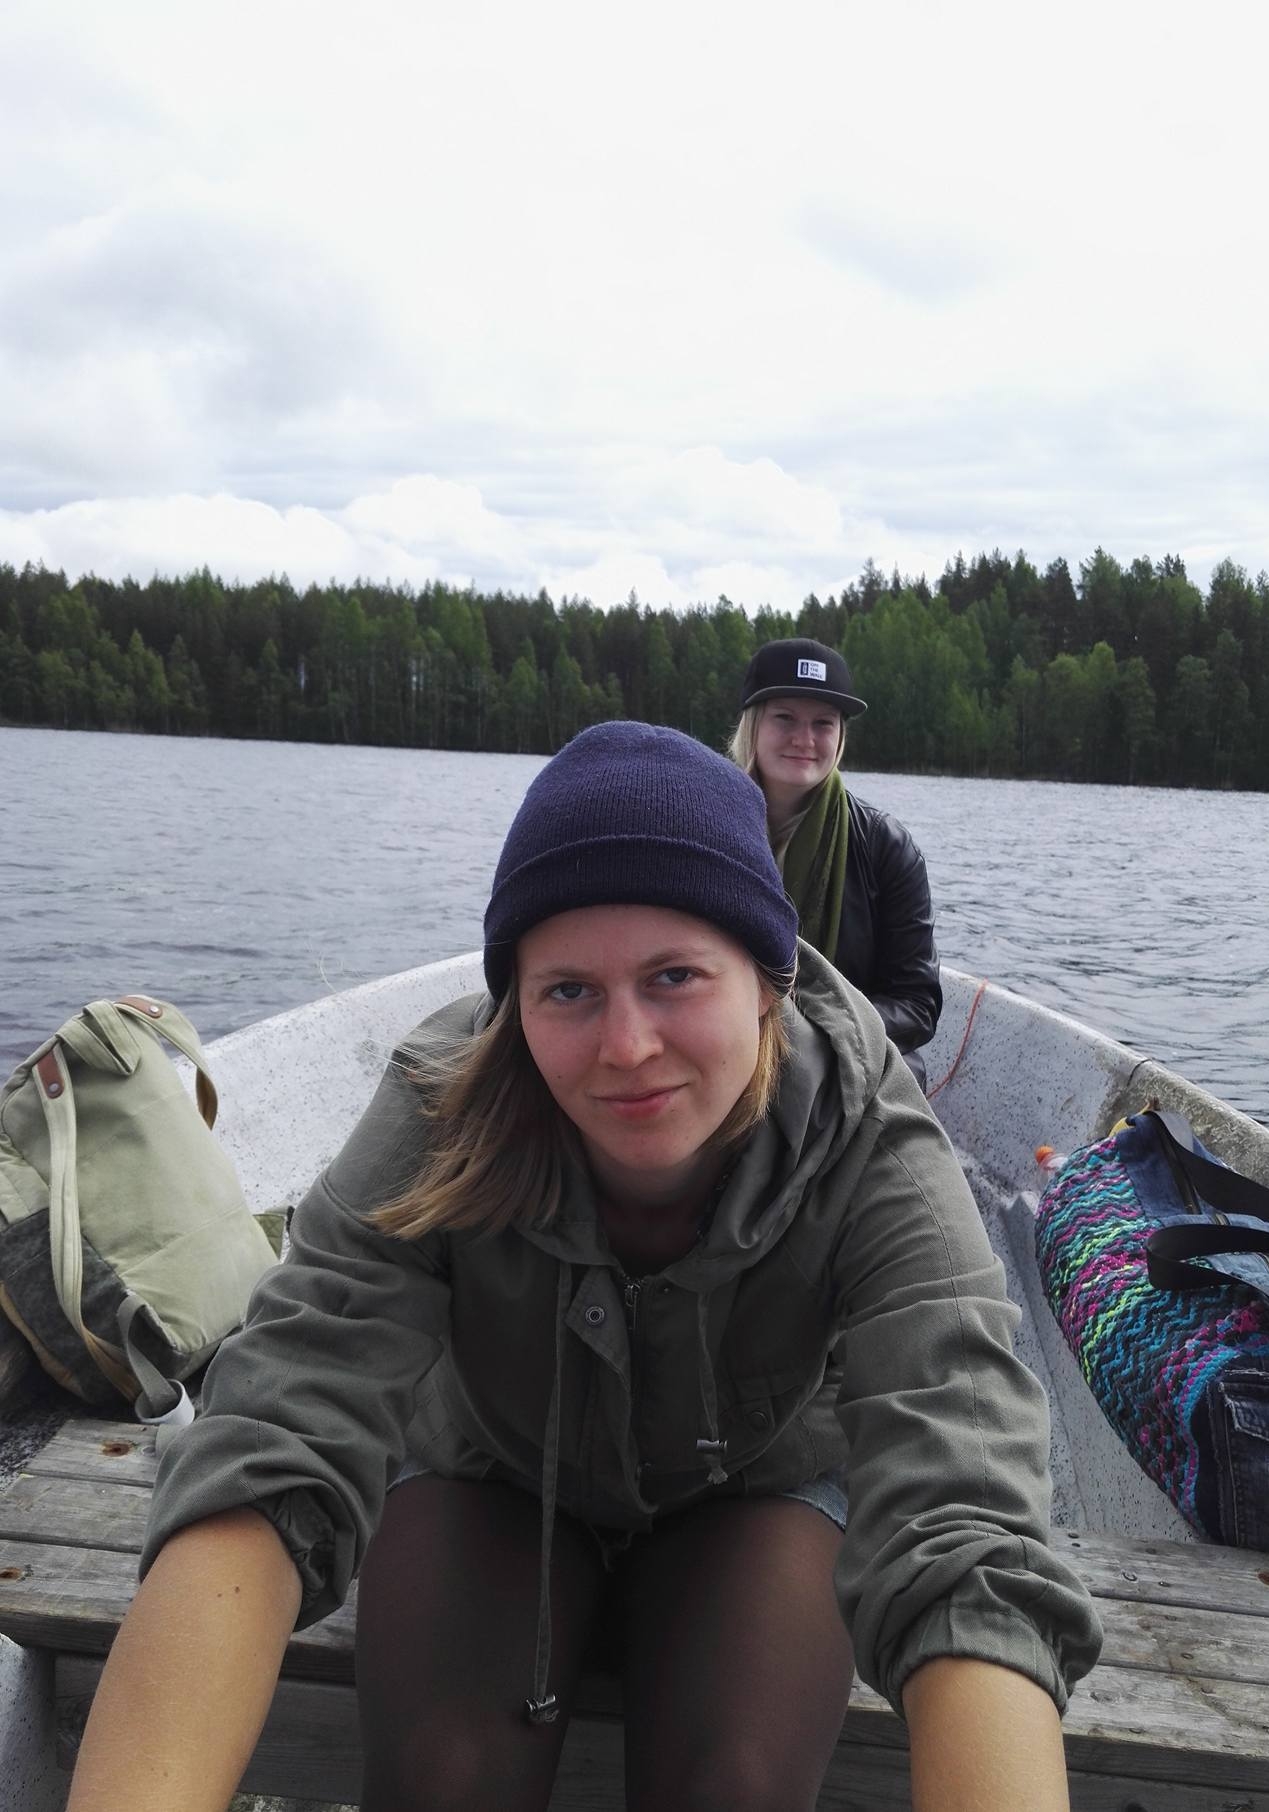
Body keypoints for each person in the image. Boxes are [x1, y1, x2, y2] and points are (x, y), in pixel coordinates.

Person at [68, 722, 1100, 1812]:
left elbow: (960, 1503)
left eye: (674, 977)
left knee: (737, 1787)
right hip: (492, 1468)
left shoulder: (862, 1132)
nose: (626, 1046)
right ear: (514, 1003)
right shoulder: (442, 1106)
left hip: (758, 1485)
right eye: (567, 990)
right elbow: (280, 1425)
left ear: (768, 980)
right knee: (443, 1779)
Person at [730, 636, 943, 1087]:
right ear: (753, 723)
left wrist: (809, 1032)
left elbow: (916, 1004)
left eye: (823, 723)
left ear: (840, 735)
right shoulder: (704, 829)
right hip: (724, 1043)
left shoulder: (886, 846)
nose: (804, 739)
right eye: (785, 718)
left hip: (840, 1061)